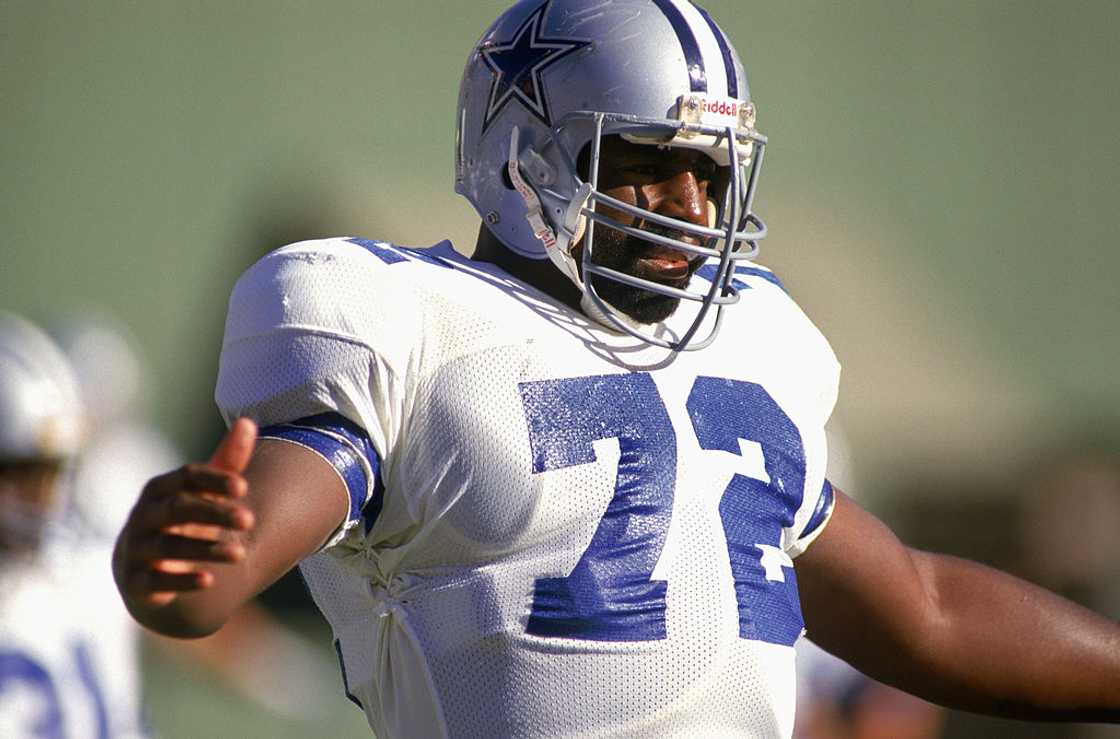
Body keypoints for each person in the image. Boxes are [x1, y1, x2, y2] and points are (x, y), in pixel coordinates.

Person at [111, 1, 1120, 737]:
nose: (690, 201)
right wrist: (186, 567)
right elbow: (222, 565)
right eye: (647, 158)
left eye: (712, 169)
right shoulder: (405, 320)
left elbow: (923, 609)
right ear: (523, 156)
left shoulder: (752, 342)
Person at [0, 312, 149, 739]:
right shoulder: (100, 573)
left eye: (50, 473)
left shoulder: (95, 577)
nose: (42, 499)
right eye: (22, 473)